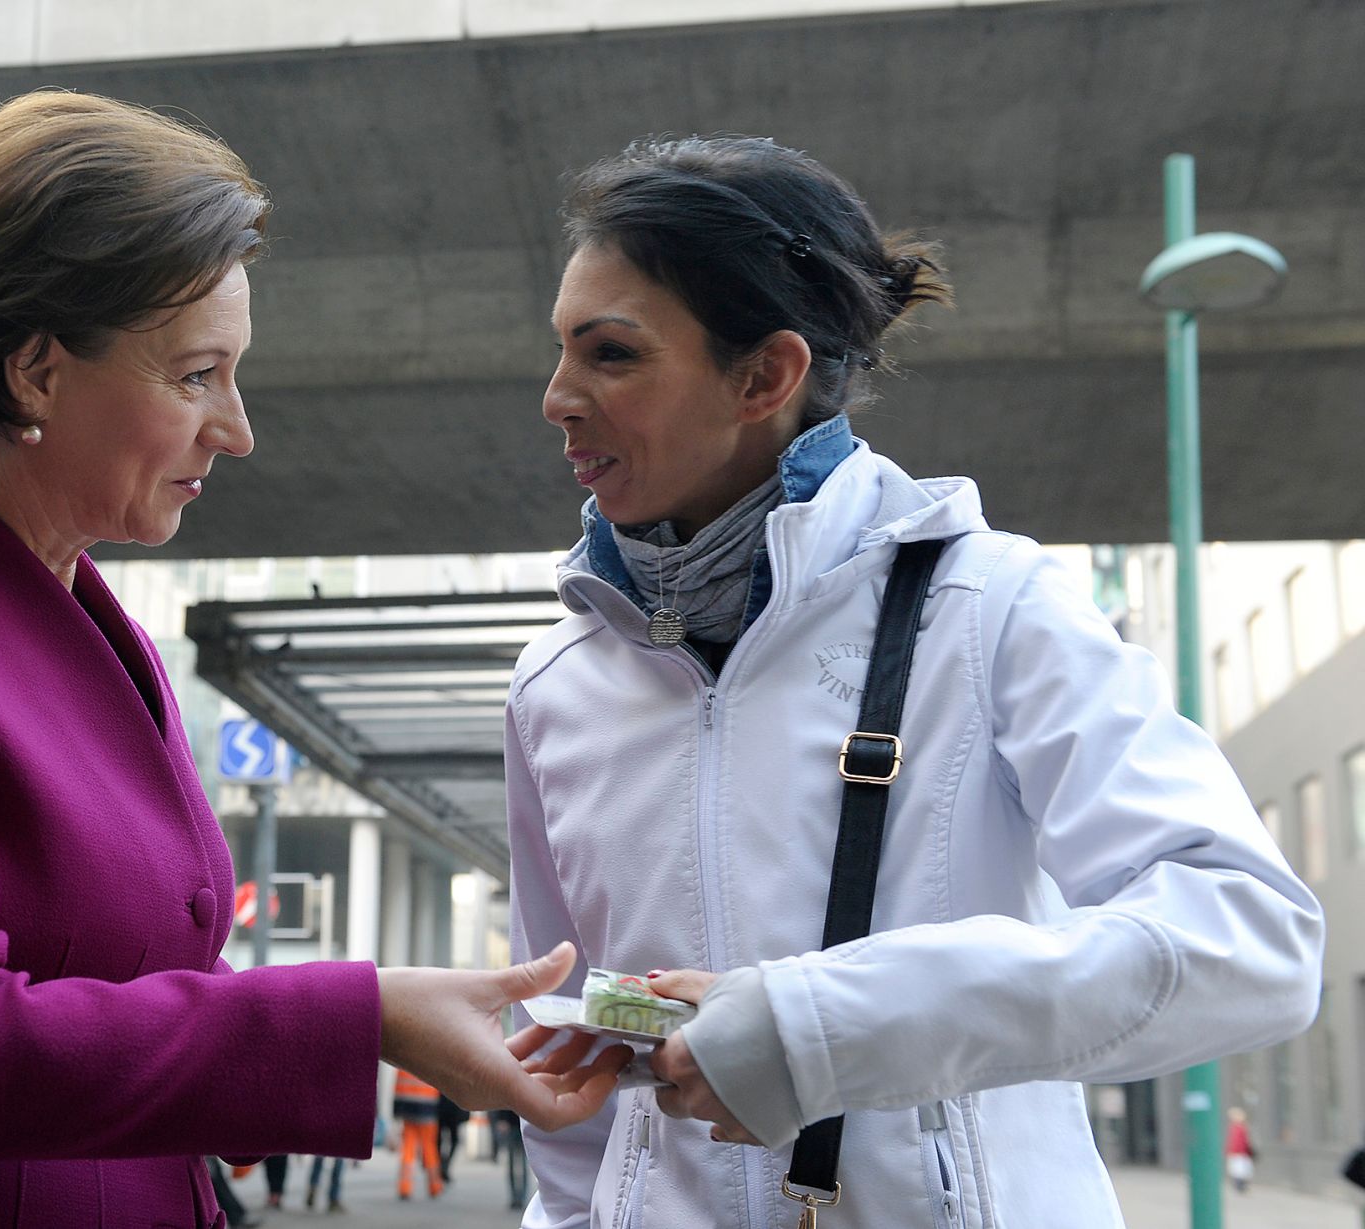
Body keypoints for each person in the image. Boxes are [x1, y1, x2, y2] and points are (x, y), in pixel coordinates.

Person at [0, 90, 627, 1229]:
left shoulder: (99, 623)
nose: (234, 427)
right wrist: (359, 1014)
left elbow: (122, 994)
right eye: (195, 375)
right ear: (34, 371)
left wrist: (395, 1018)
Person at [506, 135, 1325, 1228]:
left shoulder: (993, 604)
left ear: (765, 376)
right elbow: (561, 1053)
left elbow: (1249, 939)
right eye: (562, 351)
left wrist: (820, 1025)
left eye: (610, 354)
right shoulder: (554, 675)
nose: (557, 397)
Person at [393, 1067, 444, 1200]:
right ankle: (435, 1186)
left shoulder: (403, 1063)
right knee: (429, 1148)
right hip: (428, 1110)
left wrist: (397, 1112)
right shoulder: (429, 1062)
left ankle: (404, 1187)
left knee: (408, 1149)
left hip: (408, 1111)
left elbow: (398, 1087)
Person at [491, 1107, 528, 1212]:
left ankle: (521, 1197)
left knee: (522, 1165)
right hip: (512, 1124)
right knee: (512, 1164)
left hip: (524, 1123)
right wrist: (502, 1119)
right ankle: (514, 1197)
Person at [436, 1092, 468, 1183]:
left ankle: (444, 1166)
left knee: (451, 1140)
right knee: (439, 1140)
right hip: (444, 1108)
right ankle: (443, 1166)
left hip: (447, 1109)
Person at [1224, 1107, 1255, 1193]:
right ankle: (1239, 1185)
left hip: (1239, 1152)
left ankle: (1240, 1185)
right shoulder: (1238, 1128)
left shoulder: (1239, 1128)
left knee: (1240, 1169)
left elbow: (1239, 1141)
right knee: (1239, 1169)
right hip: (1239, 1152)